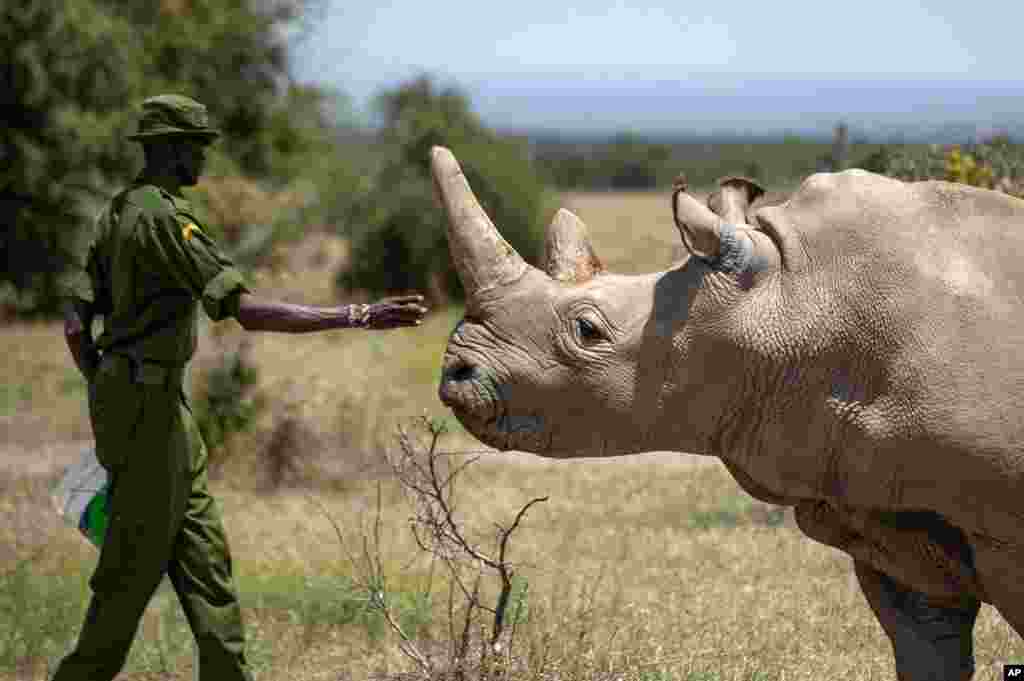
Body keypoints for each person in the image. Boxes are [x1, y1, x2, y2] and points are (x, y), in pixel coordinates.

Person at [54, 94, 428, 681]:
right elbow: (245, 310)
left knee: (208, 570)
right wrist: (356, 315)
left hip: (154, 409)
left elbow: (76, 322)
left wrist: (106, 385)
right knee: (127, 580)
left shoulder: (117, 212)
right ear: (171, 149)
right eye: (196, 146)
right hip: (150, 416)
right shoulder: (165, 221)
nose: (203, 157)